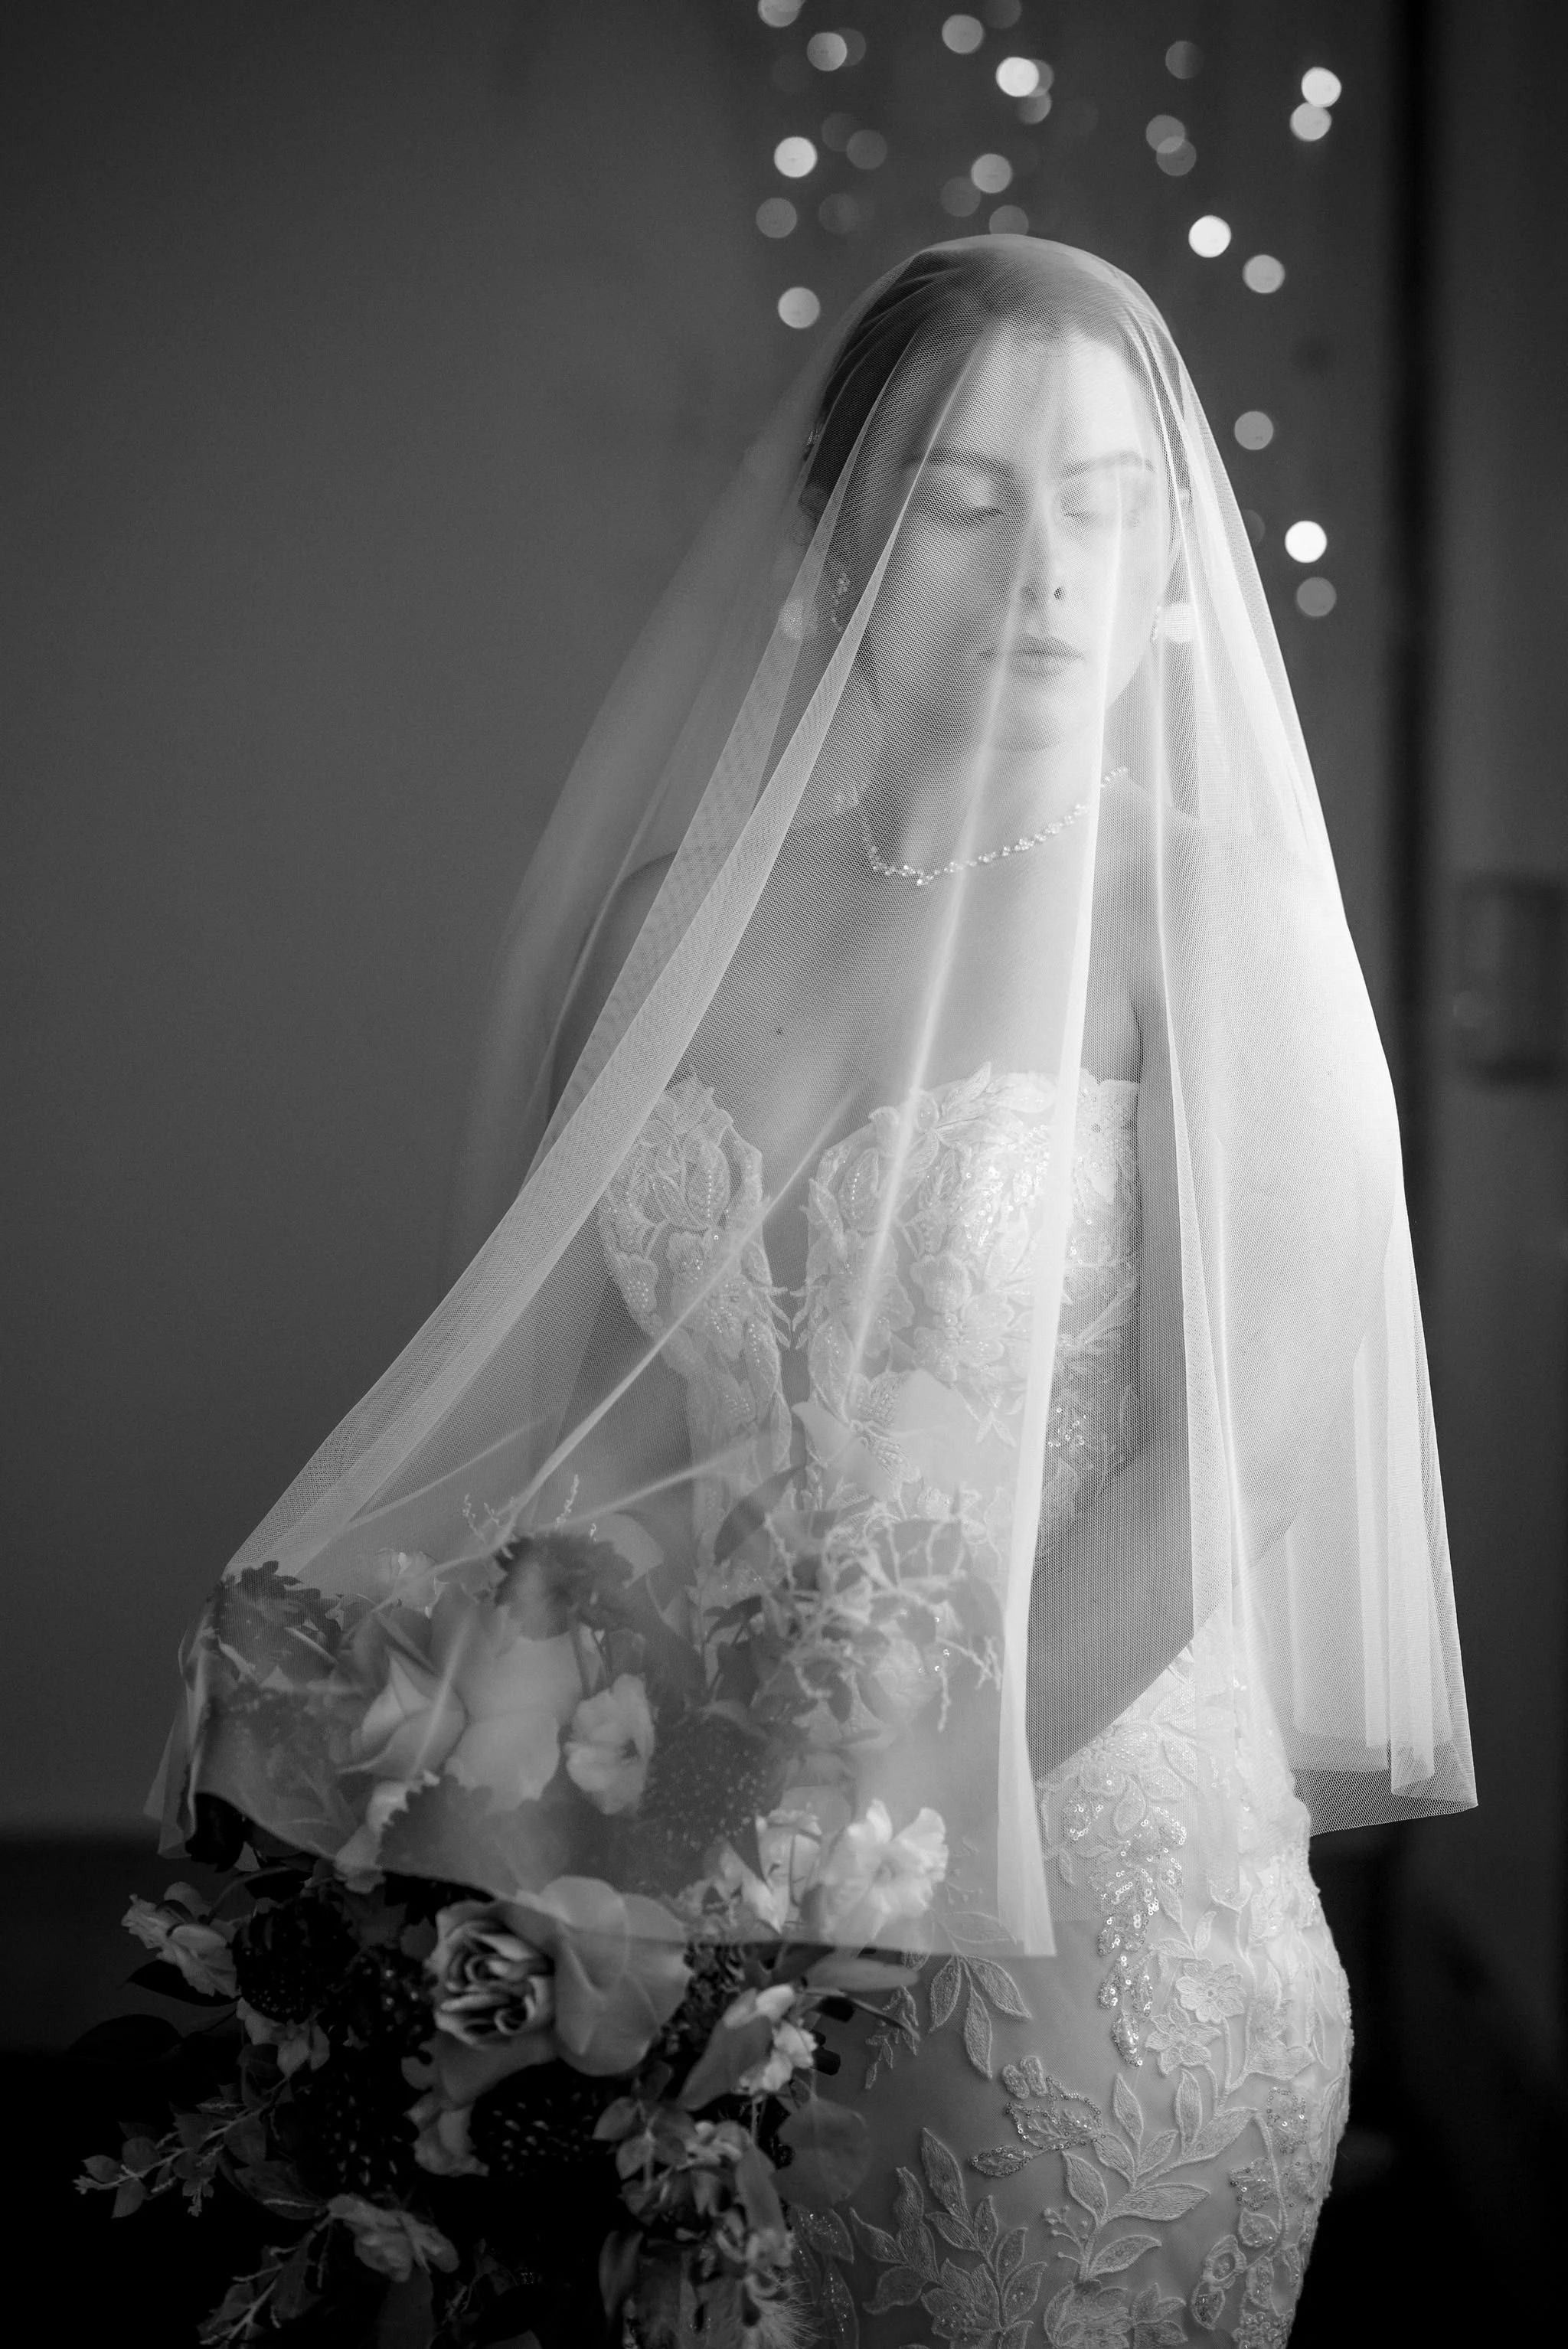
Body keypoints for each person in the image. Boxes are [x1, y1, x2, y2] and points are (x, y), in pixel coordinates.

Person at [163, 240, 1473, 2345]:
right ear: (843, 530)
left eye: (1104, 501)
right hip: (692, 1883)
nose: (1046, 571)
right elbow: (589, 1451)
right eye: (967, 504)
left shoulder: (1204, 946)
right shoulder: (674, 938)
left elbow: (1187, 1503)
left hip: (1074, 1918)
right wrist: (421, 1742)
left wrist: (806, 1902)